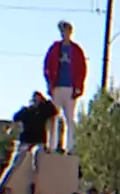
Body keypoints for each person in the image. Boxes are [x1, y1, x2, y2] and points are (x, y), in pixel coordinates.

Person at [0, 92, 58, 193]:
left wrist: (45, 102)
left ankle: (34, 183)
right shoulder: (26, 111)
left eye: (37, 100)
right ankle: (0, 185)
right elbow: (15, 117)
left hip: (38, 142)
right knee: (15, 162)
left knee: (38, 155)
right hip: (24, 141)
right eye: (34, 100)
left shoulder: (43, 110)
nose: (35, 102)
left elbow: (54, 111)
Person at [43, 20, 87, 154]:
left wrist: (78, 86)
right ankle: (52, 145)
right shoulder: (55, 48)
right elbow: (47, 66)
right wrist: (50, 83)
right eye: (62, 31)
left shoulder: (76, 50)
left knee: (69, 118)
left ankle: (70, 146)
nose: (64, 34)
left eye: (66, 31)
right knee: (53, 117)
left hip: (70, 88)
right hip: (57, 86)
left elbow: (82, 69)